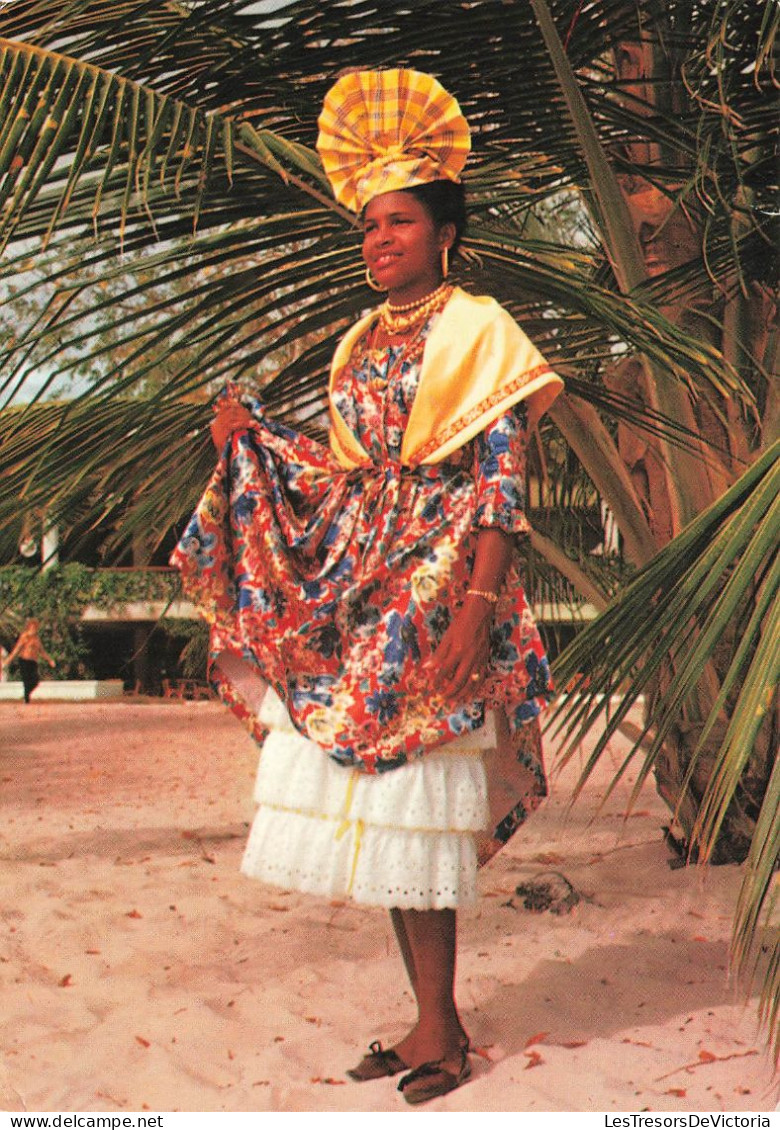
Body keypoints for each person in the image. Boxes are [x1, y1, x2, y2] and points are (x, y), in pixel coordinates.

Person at [172, 67, 562, 1104]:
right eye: (368, 226)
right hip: (369, 583)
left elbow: (499, 487)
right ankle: (434, 1018)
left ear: (444, 230)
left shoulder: (479, 330)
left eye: (398, 222)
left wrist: (477, 612)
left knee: (420, 811)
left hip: (441, 586)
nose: (378, 240)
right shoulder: (359, 341)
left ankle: (442, 1025)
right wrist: (253, 440)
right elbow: (348, 473)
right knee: (390, 817)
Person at [7, 618, 55, 703]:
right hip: (24, 660)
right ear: (29, 628)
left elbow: (42, 651)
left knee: (35, 681)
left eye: (35, 628)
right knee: (26, 680)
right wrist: (9, 660)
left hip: (33, 662)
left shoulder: (36, 639)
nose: (33, 630)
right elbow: (17, 649)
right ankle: (26, 699)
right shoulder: (25, 636)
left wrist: (50, 660)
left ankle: (26, 695)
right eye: (32, 628)